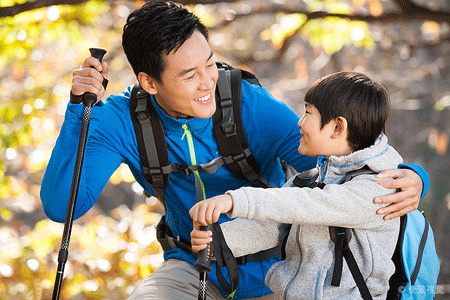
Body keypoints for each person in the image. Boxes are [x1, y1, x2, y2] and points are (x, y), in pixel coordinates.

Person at [40, 1, 428, 299]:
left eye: (209, 64)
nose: (207, 81)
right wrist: (79, 112)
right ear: (149, 82)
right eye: (189, 76)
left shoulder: (247, 105)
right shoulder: (119, 120)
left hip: (283, 266)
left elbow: (341, 161)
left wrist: (413, 176)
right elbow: (62, 206)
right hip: (195, 267)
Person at [190, 71, 404, 299]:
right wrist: (218, 241)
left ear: (337, 128)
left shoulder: (378, 189)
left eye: (308, 113)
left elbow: (309, 205)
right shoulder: (312, 180)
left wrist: (236, 200)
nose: (299, 123)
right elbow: (276, 225)